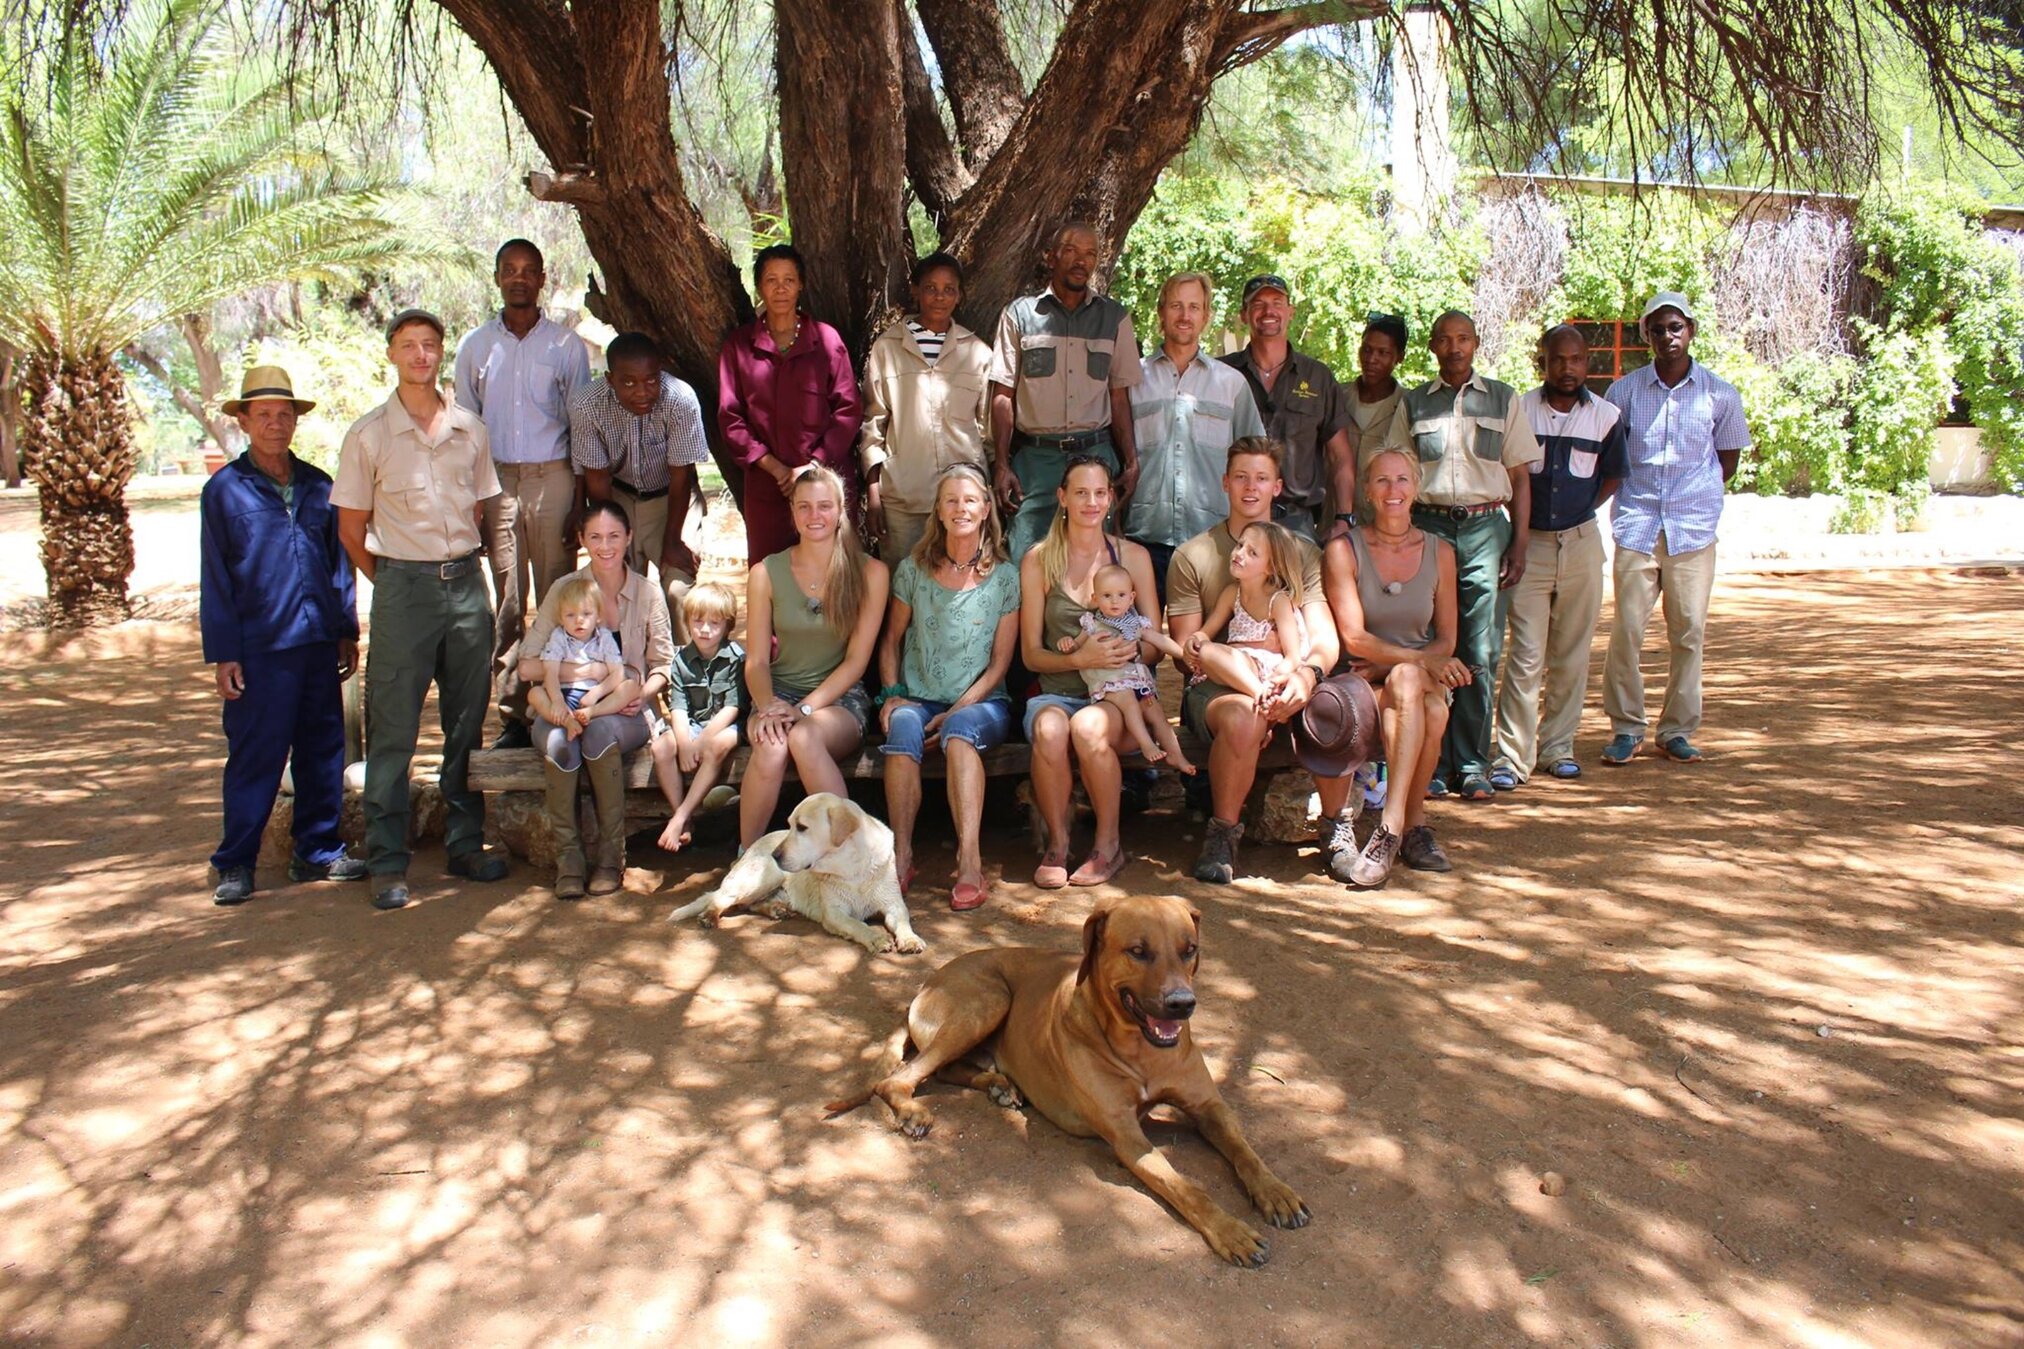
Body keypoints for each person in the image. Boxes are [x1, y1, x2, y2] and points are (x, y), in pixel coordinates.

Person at [333, 309, 509, 910]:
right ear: (391, 354)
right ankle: (386, 859)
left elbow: (483, 511)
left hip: (465, 586)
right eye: (408, 346)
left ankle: (465, 844)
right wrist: (396, 581)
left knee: (466, 724)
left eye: (430, 345)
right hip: (403, 592)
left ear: (441, 353)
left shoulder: (470, 430)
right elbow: (352, 528)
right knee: (393, 732)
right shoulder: (368, 435)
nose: (420, 356)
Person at [200, 365, 363, 906]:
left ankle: (315, 851)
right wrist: (224, 653)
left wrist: (346, 630)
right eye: (263, 414)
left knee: (322, 748)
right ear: (244, 421)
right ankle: (235, 862)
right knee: (257, 754)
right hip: (260, 649)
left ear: (295, 420)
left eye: (283, 414)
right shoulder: (223, 491)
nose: (275, 424)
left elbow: (339, 562)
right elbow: (216, 577)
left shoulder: (319, 485)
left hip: (318, 641)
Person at [1167, 438, 1347, 884]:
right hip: (1216, 686)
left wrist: (1306, 674)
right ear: (1225, 483)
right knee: (1246, 716)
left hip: (1287, 673)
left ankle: (1336, 829)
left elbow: (1323, 637)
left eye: (1261, 478)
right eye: (1241, 477)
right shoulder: (1194, 555)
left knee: (1334, 704)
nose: (1251, 487)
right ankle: (1223, 834)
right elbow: (1188, 653)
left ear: (1278, 487)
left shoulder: (1301, 553)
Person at [1379, 310, 1542, 802]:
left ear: (1476, 343)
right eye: (1445, 340)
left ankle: (1471, 763)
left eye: (1463, 338)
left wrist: (1519, 542)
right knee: (1428, 643)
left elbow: (1519, 477)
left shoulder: (1503, 399)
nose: (1454, 347)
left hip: (1486, 528)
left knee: (1480, 648)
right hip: (1427, 527)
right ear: (1432, 346)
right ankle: (1432, 761)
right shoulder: (1413, 403)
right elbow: (1397, 471)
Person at [1601, 292, 1751, 766]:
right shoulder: (1622, 394)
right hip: (1638, 527)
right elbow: (1611, 458)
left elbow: (1726, 459)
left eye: (1676, 327)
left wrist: (1696, 500)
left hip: (1692, 532)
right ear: (1645, 335)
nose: (1668, 336)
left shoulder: (1720, 394)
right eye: (1658, 328)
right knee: (1626, 632)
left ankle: (1677, 730)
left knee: (1688, 633)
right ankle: (1627, 728)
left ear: (1691, 331)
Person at [452, 239, 592, 748]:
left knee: (559, 593)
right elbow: (464, 427)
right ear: (497, 278)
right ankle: (513, 713)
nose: (518, 278)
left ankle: (560, 704)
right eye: (509, 270)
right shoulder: (474, 346)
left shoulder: (565, 346)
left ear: (541, 279)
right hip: (497, 483)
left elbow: (581, 422)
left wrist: (580, 498)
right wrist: (471, 498)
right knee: (508, 601)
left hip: (553, 476)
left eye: (527, 271)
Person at [876, 464, 1021, 910]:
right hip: (919, 697)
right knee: (901, 727)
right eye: (951, 500)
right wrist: (890, 694)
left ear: (985, 509)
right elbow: (891, 640)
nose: (961, 508)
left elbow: (1000, 664)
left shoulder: (1005, 576)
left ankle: (971, 862)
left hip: (983, 702)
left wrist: (959, 707)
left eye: (970, 500)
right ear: (938, 511)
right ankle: (901, 856)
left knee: (960, 736)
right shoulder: (913, 570)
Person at [1324, 449, 1471, 887]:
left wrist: (1418, 661)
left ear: (1417, 488)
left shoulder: (1440, 551)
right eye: (1383, 481)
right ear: (1367, 491)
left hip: (1414, 674)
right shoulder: (1343, 549)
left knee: (1411, 681)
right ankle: (1411, 823)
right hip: (1362, 679)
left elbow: (1446, 637)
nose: (1394, 490)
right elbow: (1353, 638)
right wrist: (1421, 658)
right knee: (1435, 710)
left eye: (1403, 480)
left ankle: (1390, 826)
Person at [1019, 455, 1167, 889]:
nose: (1091, 501)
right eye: (1080, 492)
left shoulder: (1133, 556)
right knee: (1049, 728)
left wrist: (1123, 651)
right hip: (1058, 688)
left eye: (1100, 492)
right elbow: (1031, 654)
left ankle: (1107, 845)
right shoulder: (1039, 560)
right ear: (1062, 497)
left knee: (1087, 727)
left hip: (1119, 695)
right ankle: (1059, 843)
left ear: (1111, 499)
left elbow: (1155, 647)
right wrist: (1078, 660)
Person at [515, 500, 676, 898]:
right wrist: (586, 673)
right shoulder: (564, 591)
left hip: (624, 708)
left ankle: (609, 856)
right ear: (583, 541)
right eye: (595, 537)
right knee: (559, 739)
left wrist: (643, 693)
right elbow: (527, 667)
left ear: (629, 538)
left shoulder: (647, 593)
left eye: (614, 536)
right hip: (560, 704)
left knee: (599, 731)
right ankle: (568, 859)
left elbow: (663, 664)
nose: (606, 546)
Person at [1491, 325, 1627, 787]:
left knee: (1571, 652)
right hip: (1528, 544)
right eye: (1557, 360)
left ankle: (1558, 748)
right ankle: (1512, 758)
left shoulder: (1606, 416)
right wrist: (1521, 537)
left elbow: (1613, 476)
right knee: (1525, 654)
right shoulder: (1519, 410)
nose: (1566, 369)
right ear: (1542, 361)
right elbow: (1509, 474)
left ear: (1587, 362)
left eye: (1575, 360)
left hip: (1582, 543)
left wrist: (1581, 511)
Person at [741, 466, 888, 848]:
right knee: (771, 746)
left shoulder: (870, 572)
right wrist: (767, 707)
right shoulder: (766, 572)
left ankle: (853, 855)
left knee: (804, 738)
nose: (814, 516)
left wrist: (803, 709)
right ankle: (748, 858)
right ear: (791, 511)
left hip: (838, 700)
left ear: (841, 511)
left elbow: (856, 661)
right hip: (776, 693)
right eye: (804, 507)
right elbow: (756, 661)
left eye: (824, 506)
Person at [989, 221, 1144, 560]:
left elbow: (1119, 397)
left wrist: (1131, 462)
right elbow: (1002, 395)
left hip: (1096, 456)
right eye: (1071, 250)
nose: (1081, 261)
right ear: (1051, 256)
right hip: (1035, 461)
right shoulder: (1020, 315)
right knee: (1025, 556)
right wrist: (1001, 464)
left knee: (1097, 563)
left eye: (1090, 254)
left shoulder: (1114, 318)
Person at [1124, 272, 1265, 600]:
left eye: (1194, 307)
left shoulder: (1231, 385)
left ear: (1206, 316)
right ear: (1161, 312)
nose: (1184, 316)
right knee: (1142, 646)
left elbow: (1256, 462)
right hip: (1145, 538)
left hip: (1212, 542)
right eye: (1176, 305)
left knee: (1204, 645)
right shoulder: (1132, 380)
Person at [720, 244, 863, 564]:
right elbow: (731, 418)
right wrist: (776, 468)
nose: (781, 288)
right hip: (768, 485)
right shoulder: (739, 346)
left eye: (789, 279)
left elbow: (848, 409)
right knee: (770, 573)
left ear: (802, 285)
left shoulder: (826, 340)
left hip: (824, 481)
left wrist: (812, 465)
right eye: (772, 279)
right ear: (759, 287)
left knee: (833, 572)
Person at [567, 331, 709, 643]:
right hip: (617, 496)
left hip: (672, 498)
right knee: (620, 588)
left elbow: (681, 477)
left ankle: (686, 681)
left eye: (651, 380)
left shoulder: (680, 399)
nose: (642, 392)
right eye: (628, 382)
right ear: (609, 379)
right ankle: (631, 679)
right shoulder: (587, 404)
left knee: (678, 590)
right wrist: (616, 540)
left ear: (661, 372)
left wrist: (672, 540)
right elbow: (597, 480)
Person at [860, 252, 992, 564]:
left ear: (959, 296)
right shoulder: (887, 349)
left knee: (959, 587)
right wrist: (874, 494)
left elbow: (989, 432)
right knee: (903, 590)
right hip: (904, 499)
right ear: (915, 290)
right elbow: (873, 425)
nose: (939, 297)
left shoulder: (977, 353)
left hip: (963, 502)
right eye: (931, 288)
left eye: (949, 289)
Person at [1220, 275, 1351, 538]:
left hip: (1296, 522)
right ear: (1244, 315)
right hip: (1230, 515)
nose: (1269, 311)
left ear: (1290, 312)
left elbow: (1340, 456)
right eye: (1258, 304)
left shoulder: (1317, 376)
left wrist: (1344, 518)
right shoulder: (1221, 373)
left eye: (1277, 302)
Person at [1059, 563, 1193, 771]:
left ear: (1131, 598)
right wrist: (1068, 644)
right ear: (1095, 599)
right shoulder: (1092, 623)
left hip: (1136, 680)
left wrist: (1184, 655)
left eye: (1121, 595)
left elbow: (1159, 640)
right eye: (1107, 595)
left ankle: (1176, 755)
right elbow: (1076, 645)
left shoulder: (1135, 624)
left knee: (1156, 713)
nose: (1114, 601)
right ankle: (1146, 743)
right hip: (1109, 682)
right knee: (1129, 702)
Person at [654, 583, 746, 853]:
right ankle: (684, 818)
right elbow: (679, 706)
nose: (705, 629)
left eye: (714, 623)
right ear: (687, 622)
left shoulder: (736, 659)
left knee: (717, 746)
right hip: (693, 726)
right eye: (698, 621)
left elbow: (734, 706)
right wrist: (684, 743)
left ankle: (679, 817)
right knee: (661, 747)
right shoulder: (680, 660)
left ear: (727, 625)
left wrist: (701, 741)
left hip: (728, 725)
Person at [1185, 521, 1306, 706]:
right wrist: (1194, 639)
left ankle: (1260, 693)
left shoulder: (1278, 601)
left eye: (1252, 553)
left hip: (1266, 671)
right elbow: (1205, 633)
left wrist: (1275, 679)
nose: (1239, 554)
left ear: (1271, 567)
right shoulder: (1232, 593)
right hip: (1237, 664)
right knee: (1205, 651)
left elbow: (1293, 656)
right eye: (1240, 545)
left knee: (1208, 651)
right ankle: (1256, 693)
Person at [527, 575, 626, 731]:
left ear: (598, 616)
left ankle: (591, 714)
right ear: (561, 618)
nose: (579, 620)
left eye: (586, 614)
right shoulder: (559, 637)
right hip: (565, 694)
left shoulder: (604, 637)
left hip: (597, 697)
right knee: (535, 693)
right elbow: (550, 672)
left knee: (631, 687)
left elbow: (617, 673)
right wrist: (557, 700)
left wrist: (595, 694)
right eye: (570, 615)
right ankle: (568, 722)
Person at [1343, 313, 1409, 519]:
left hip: (1385, 521)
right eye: (1367, 349)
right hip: (1338, 520)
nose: (1372, 359)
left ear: (1399, 357)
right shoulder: (1337, 396)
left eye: (1383, 353)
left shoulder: (1409, 405)